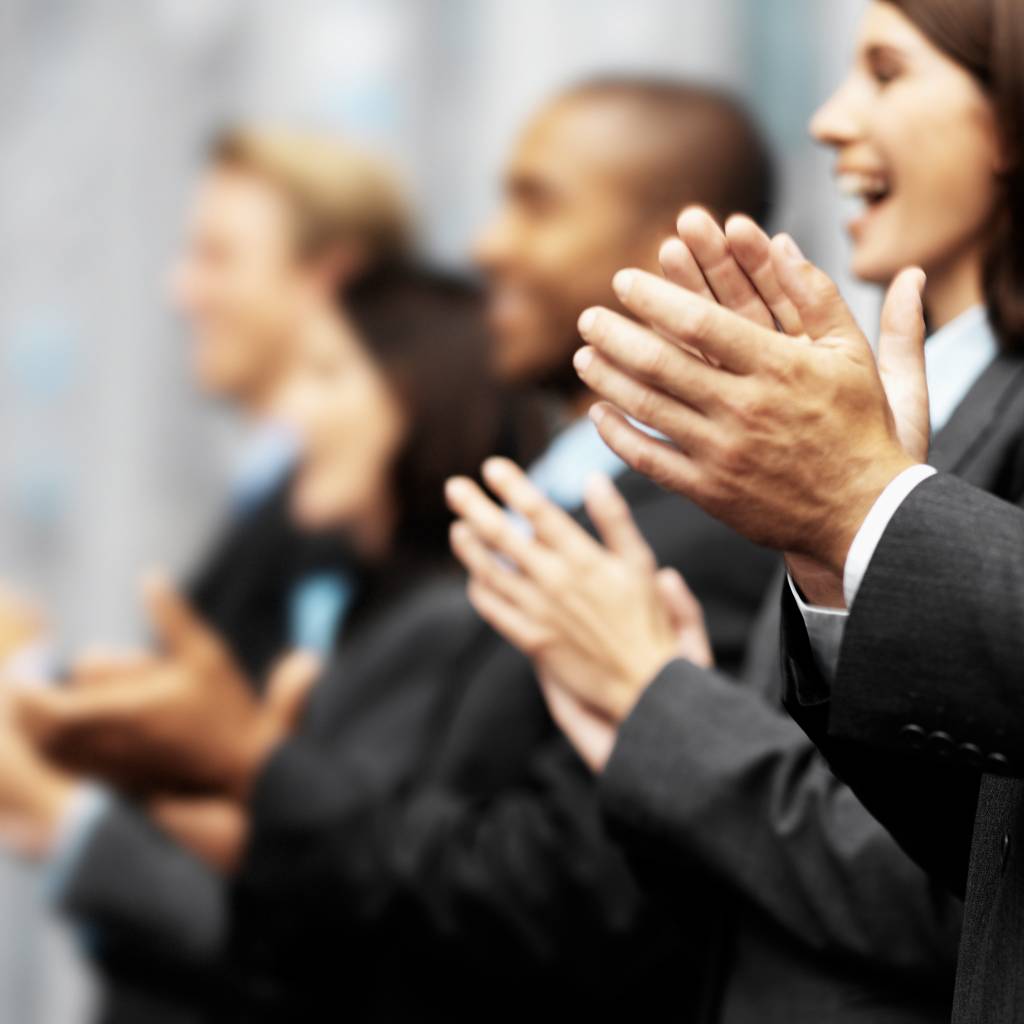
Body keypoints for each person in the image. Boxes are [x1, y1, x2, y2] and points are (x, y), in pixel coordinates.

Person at [10, 79, 778, 1020]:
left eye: (535, 203)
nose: (489, 245)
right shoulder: (561, 514)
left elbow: (564, 900)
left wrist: (254, 770)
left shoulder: (692, 531)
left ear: (666, 243)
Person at [445, 4, 1024, 1017]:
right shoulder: (895, 398)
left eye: (888, 72)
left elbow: (941, 893)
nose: (830, 120)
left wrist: (659, 706)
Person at [0, 262, 508, 1023]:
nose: (293, 415)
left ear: (416, 402)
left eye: (329, 376)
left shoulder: (441, 627)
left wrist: (66, 809)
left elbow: (335, 918)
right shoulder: (344, 587)